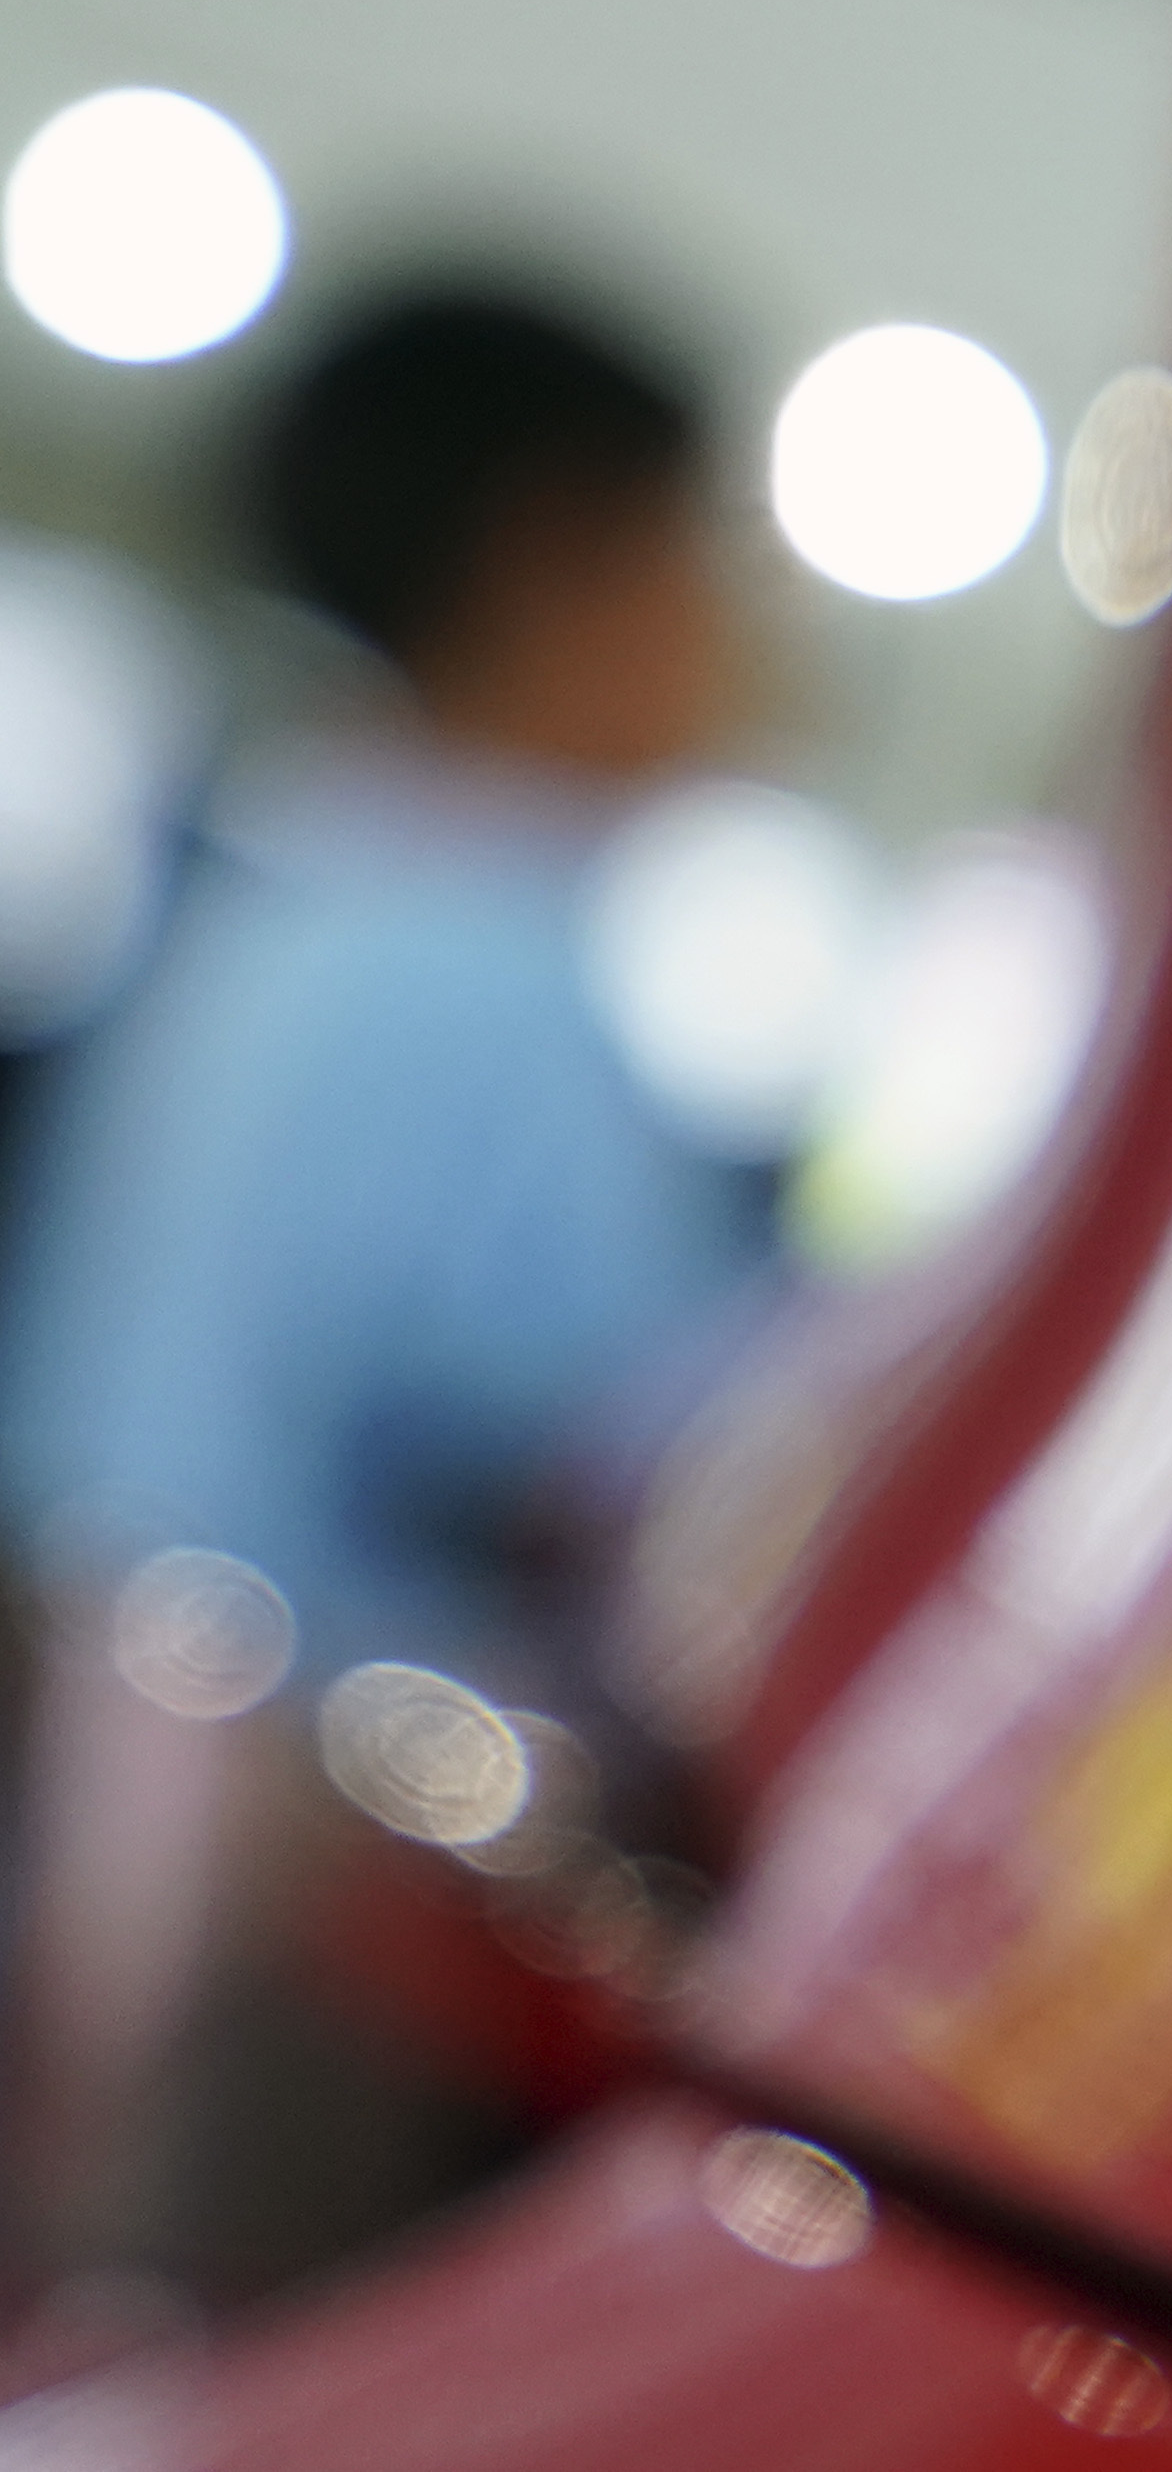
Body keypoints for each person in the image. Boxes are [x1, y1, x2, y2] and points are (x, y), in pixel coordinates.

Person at [0, 286, 764, 2329]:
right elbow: (608, 1442)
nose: (746, 636)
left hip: (121, 1724)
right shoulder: (488, 957)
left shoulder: (276, 893)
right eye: (709, 557)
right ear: (557, 560)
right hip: (320, 1828)